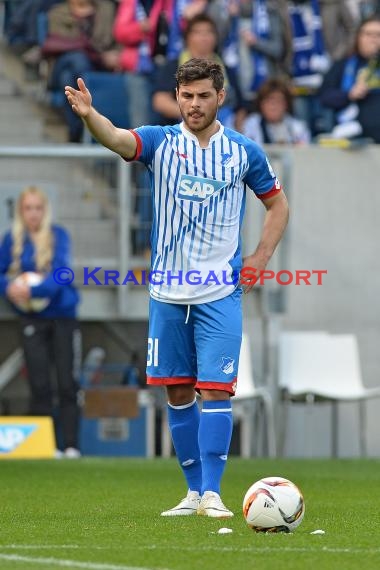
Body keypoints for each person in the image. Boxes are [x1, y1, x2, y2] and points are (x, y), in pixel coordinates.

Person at [65, 58, 289, 517]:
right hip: (167, 293)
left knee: (217, 390)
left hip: (219, 293)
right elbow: (117, 139)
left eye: (203, 95)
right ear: (178, 97)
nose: (193, 104)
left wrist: (260, 258)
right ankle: (191, 493)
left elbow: (277, 204)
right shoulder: (161, 141)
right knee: (177, 392)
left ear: (220, 97)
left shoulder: (243, 152)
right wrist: (90, 116)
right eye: (186, 96)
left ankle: (213, 493)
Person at [0, 186, 82, 458]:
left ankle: (70, 445)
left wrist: (33, 290)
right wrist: (8, 287)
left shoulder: (59, 236)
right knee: (39, 382)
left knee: (66, 380)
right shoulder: (11, 239)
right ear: (20, 211)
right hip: (30, 318)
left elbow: (62, 274)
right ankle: (47, 445)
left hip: (61, 317)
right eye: (28, 208)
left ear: (44, 210)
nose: (33, 213)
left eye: (38, 208)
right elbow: (1, 274)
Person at [318, 15, 380, 141]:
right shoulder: (343, 65)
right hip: (350, 140)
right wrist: (349, 94)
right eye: (368, 34)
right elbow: (324, 97)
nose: (373, 40)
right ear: (358, 37)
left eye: (378, 35)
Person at [242, 77, 311, 144]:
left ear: (286, 104)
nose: (273, 107)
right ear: (261, 104)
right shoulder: (251, 125)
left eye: (278, 101)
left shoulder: (298, 128)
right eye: (269, 101)